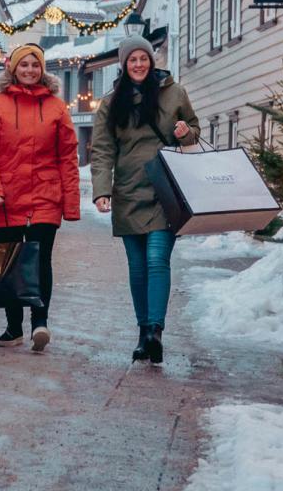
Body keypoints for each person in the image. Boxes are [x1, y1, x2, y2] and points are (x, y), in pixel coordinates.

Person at [90, 36, 199, 364]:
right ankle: (142, 333)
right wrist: (101, 190)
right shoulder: (111, 102)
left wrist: (185, 132)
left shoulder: (174, 92)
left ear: (151, 60)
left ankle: (155, 331)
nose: (138, 64)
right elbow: (103, 148)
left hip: (166, 188)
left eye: (143, 58)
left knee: (156, 259)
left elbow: (193, 129)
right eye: (132, 59)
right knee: (137, 267)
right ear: (124, 64)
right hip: (127, 189)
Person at [0, 44, 80, 352]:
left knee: (39, 259)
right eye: (25, 65)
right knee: (9, 260)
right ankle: (13, 326)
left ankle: (39, 323)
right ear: (14, 69)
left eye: (36, 65)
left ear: (42, 69)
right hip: (5, 198)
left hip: (45, 197)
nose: (31, 70)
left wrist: (69, 203)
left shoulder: (57, 108)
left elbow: (67, 157)